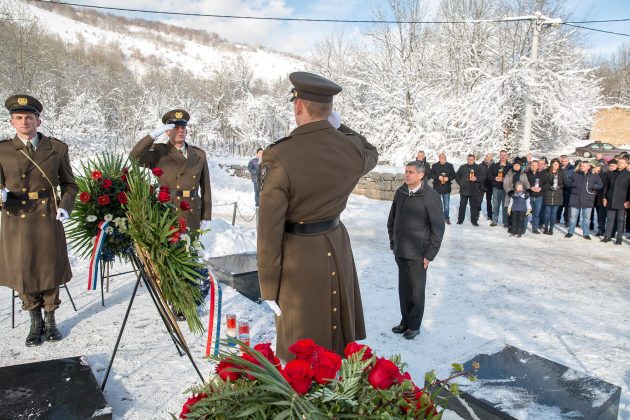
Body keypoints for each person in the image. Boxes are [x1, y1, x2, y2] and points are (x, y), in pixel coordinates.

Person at [256, 72, 378, 361]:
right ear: (330, 110)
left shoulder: (279, 155)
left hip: (300, 257)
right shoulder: (351, 149)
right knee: (336, 341)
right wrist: (337, 125)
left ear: (298, 105)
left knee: (301, 348)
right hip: (337, 245)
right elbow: (371, 151)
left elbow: (269, 228)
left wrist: (268, 286)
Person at [0, 94, 78, 346]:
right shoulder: (1, 150)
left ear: (38, 121)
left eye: (29, 117)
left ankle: (51, 317)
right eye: (19, 118)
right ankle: (34, 320)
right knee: (23, 268)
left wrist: (66, 207)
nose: (24, 122)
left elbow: (70, 184)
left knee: (49, 267)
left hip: (48, 215)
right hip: (16, 216)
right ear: (12, 122)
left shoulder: (57, 148)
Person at [388, 161, 445, 340]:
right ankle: (405, 321)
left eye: (411, 172)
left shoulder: (430, 196)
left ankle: (414, 325)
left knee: (416, 291)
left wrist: (430, 254)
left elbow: (438, 228)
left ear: (421, 175)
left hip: (419, 254)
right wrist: (393, 242)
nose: (407, 175)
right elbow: (392, 219)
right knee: (404, 289)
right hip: (401, 250)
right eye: (406, 171)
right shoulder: (401, 192)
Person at [130, 109, 211, 231]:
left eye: (183, 128)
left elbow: (206, 187)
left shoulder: (199, 154)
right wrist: (153, 135)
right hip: (168, 210)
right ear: (167, 132)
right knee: (169, 248)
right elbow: (134, 157)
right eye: (176, 127)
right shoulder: (159, 152)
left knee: (191, 248)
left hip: (192, 210)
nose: (180, 131)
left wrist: (206, 215)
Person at [564, 160, 603, 239]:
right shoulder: (575, 173)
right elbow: (567, 182)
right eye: (581, 166)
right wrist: (573, 185)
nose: (582, 167)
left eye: (584, 166)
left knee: (586, 218)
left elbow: (600, 185)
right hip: (575, 198)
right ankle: (570, 232)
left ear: (588, 167)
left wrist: (593, 186)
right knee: (573, 217)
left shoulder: (594, 175)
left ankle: (586, 234)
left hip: (588, 199)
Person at [602, 156, 630, 245]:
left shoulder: (628, 174)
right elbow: (606, 187)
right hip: (610, 200)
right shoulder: (611, 173)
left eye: (621, 163)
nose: (619, 164)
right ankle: (607, 236)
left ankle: (619, 238)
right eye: (618, 162)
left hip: (622, 201)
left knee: (620, 220)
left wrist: (628, 201)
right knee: (609, 219)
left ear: (626, 164)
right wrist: (604, 198)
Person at [455, 154, 484, 226]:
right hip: (464, 189)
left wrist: (476, 178)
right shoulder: (462, 167)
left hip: (474, 190)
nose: (469, 161)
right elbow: (457, 176)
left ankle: (474, 221)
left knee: (473, 206)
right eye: (468, 159)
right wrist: (460, 183)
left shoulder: (478, 168)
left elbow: (483, 177)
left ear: (474, 160)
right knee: (462, 205)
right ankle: (460, 220)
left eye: (471, 159)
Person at [428, 152, 456, 224]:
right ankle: (437, 218)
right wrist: (438, 177)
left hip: (446, 188)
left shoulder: (450, 165)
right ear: (439, 158)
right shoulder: (435, 165)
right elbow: (431, 174)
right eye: (441, 157)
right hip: (437, 188)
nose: (443, 158)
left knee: (446, 205)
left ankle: (446, 217)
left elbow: (453, 175)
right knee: (437, 204)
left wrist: (448, 178)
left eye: (444, 157)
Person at [503, 159, 530, 231]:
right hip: (511, 195)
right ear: (513, 166)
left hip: (521, 195)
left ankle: (519, 228)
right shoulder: (509, 173)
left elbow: (526, 183)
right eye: (515, 165)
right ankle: (511, 227)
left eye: (518, 165)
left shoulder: (523, 174)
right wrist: (510, 192)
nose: (517, 166)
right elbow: (505, 184)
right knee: (511, 212)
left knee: (519, 213)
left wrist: (527, 191)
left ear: (520, 166)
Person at [489, 150, 512, 227]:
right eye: (501, 155)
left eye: (504, 155)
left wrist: (504, 179)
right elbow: (489, 176)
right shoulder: (494, 165)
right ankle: (494, 221)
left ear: (507, 156)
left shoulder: (510, 166)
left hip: (506, 189)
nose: (503, 156)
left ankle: (505, 222)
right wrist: (495, 178)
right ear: (499, 156)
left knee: (505, 206)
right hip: (496, 188)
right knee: (495, 205)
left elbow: (512, 177)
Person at [542, 158, 564, 235]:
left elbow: (564, 183)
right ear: (551, 164)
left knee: (554, 214)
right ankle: (546, 228)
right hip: (548, 194)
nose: (556, 166)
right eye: (554, 164)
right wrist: (549, 186)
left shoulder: (562, 172)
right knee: (547, 213)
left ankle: (551, 229)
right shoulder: (546, 172)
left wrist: (559, 186)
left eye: (557, 164)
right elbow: (543, 183)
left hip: (557, 195)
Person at [525, 160, 547, 234]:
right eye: (532, 165)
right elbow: (524, 184)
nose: (534, 166)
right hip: (529, 196)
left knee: (536, 214)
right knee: (526, 213)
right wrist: (530, 188)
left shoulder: (543, 174)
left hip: (538, 197)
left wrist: (541, 188)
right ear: (530, 166)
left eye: (535, 165)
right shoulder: (527, 174)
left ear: (538, 166)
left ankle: (535, 228)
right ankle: (523, 227)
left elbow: (546, 184)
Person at [557, 155, 574, 226]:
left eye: (565, 161)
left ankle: (567, 220)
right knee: (559, 204)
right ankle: (557, 218)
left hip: (568, 188)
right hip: (559, 188)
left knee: (568, 206)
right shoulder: (558, 167)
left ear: (568, 161)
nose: (563, 163)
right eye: (562, 161)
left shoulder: (572, 168)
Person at [480, 153, 494, 220]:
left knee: (489, 201)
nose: (488, 158)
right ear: (485, 157)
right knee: (479, 200)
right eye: (487, 156)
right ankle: (477, 213)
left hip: (490, 185)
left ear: (492, 157)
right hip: (482, 185)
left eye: (490, 157)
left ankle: (490, 215)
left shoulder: (495, 165)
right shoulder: (481, 165)